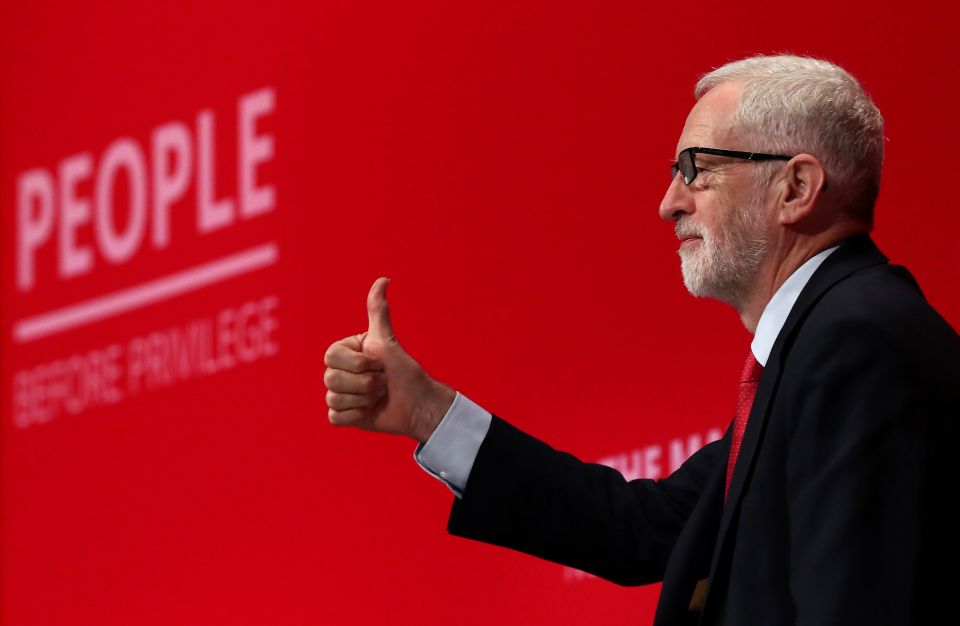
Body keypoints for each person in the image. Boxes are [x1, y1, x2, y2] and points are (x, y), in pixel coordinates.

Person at [322, 55, 960, 625]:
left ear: (795, 188)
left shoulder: (857, 342)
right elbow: (639, 529)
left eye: (695, 168)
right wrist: (430, 411)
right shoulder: (821, 347)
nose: (667, 202)